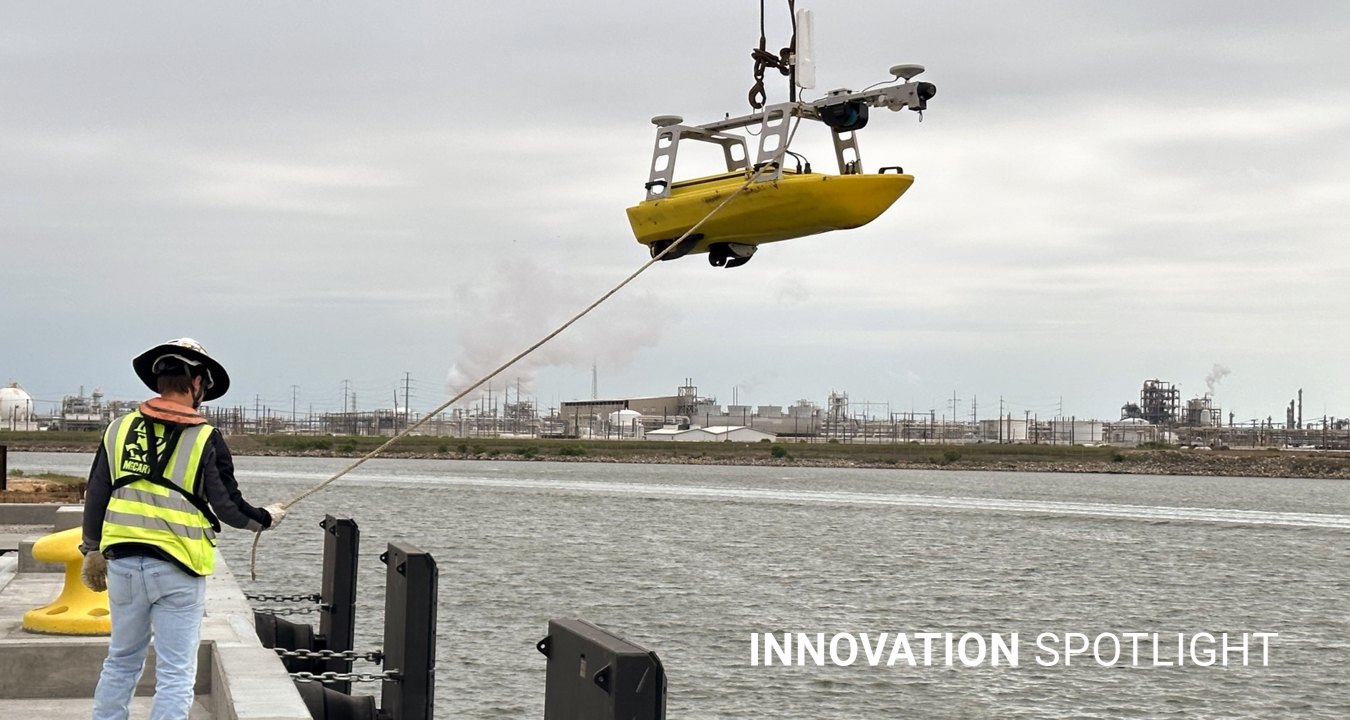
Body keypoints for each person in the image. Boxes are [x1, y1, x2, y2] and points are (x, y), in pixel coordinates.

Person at [79, 338, 287, 720]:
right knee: (176, 672)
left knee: (121, 660)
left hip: (123, 565)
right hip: (178, 569)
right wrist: (265, 517)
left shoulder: (118, 429)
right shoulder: (206, 437)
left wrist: (91, 549)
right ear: (197, 384)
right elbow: (228, 507)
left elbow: (96, 494)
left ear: (158, 382)